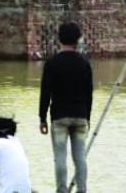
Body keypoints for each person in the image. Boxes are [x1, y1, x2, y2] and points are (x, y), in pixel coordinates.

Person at [39, 22, 94, 193]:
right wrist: (88, 117)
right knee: (80, 158)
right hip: (80, 116)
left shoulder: (52, 63)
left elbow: (45, 93)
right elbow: (89, 93)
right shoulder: (84, 63)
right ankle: (82, 190)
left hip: (59, 117)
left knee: (60, 158)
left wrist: (42, 117)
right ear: (77, 40)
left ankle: (61, 190)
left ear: (59, 38)